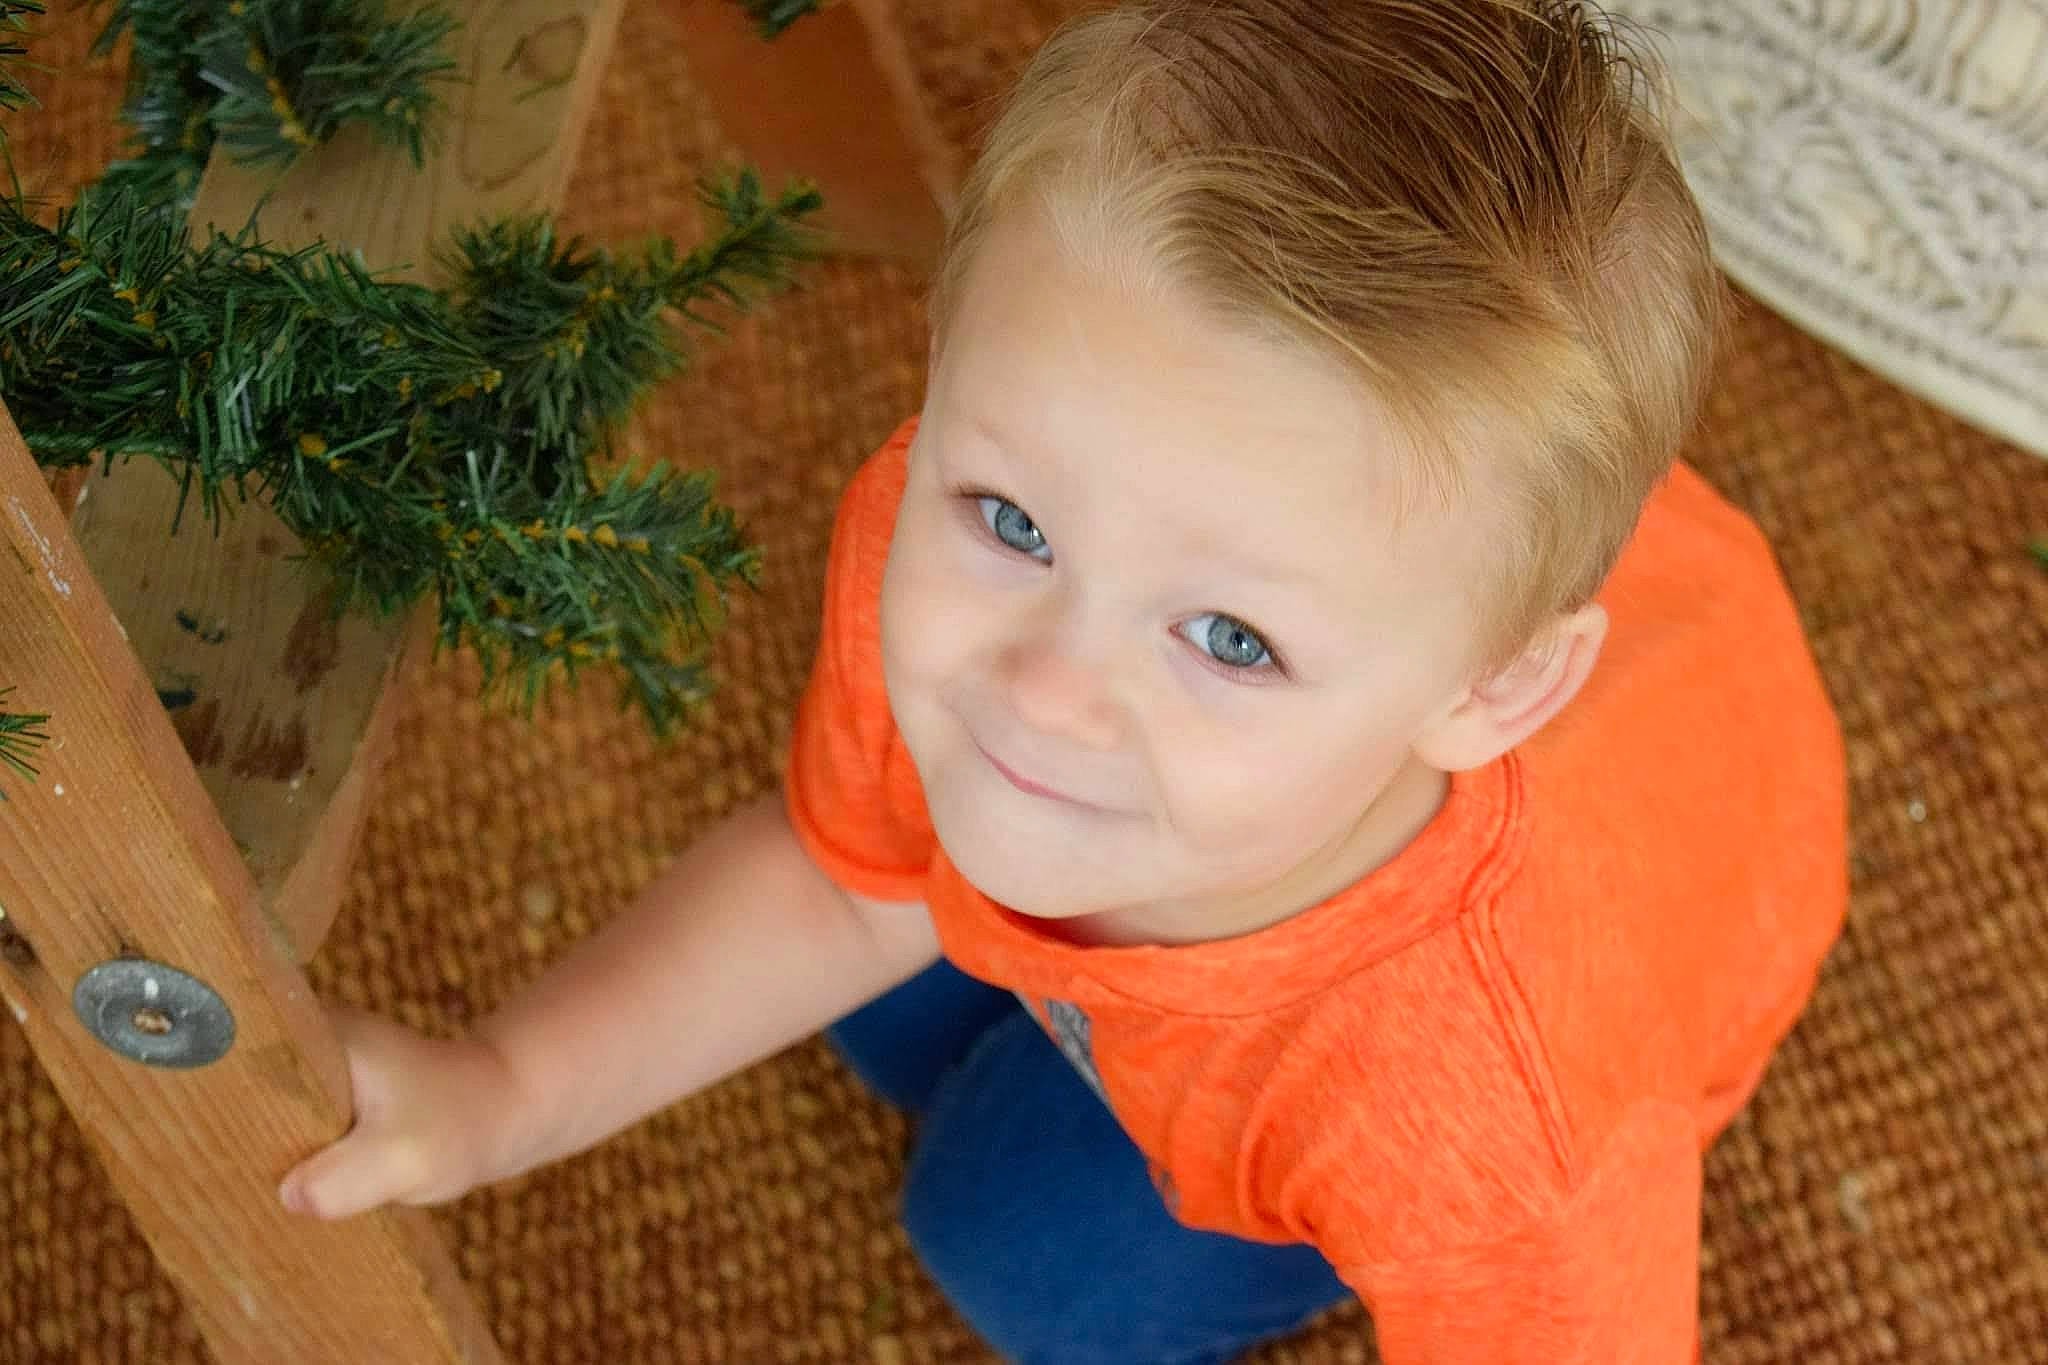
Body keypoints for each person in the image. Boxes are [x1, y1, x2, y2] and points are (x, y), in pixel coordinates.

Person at [278, 2, 1848, 1360]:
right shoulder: (952, 514)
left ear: (1490, 691)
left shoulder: (1487, 1123)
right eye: (1013, 519)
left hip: (1611, 886)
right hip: (1420, 617)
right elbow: (840, 885)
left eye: (1231, 639)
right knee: (885, 1003)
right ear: (947, 345)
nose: (1043, 688)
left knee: (1014, 1257)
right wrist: (497, 1092)